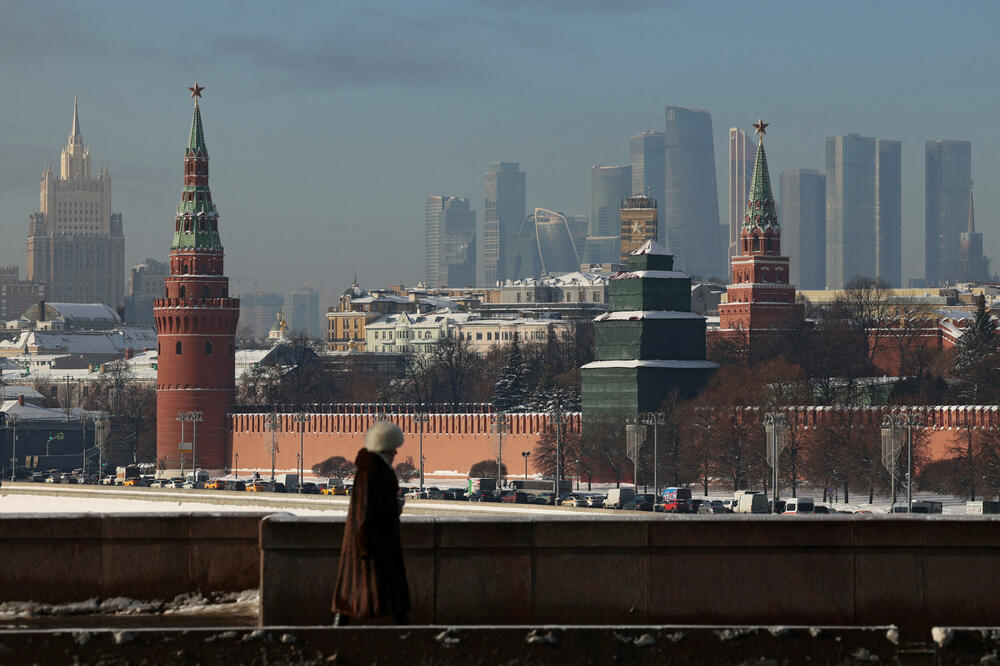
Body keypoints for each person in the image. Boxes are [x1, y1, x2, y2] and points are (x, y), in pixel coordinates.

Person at [332, 421, 411, 625]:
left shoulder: (372, 469)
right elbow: (366, 510)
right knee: (387, 591)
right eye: (392, 448)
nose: (395, 453)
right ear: (384, 449)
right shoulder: (373, 472)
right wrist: (366, 543)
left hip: (373, 539)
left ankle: (337, 629)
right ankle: (409, 636)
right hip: (374, 541)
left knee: (355, 591)